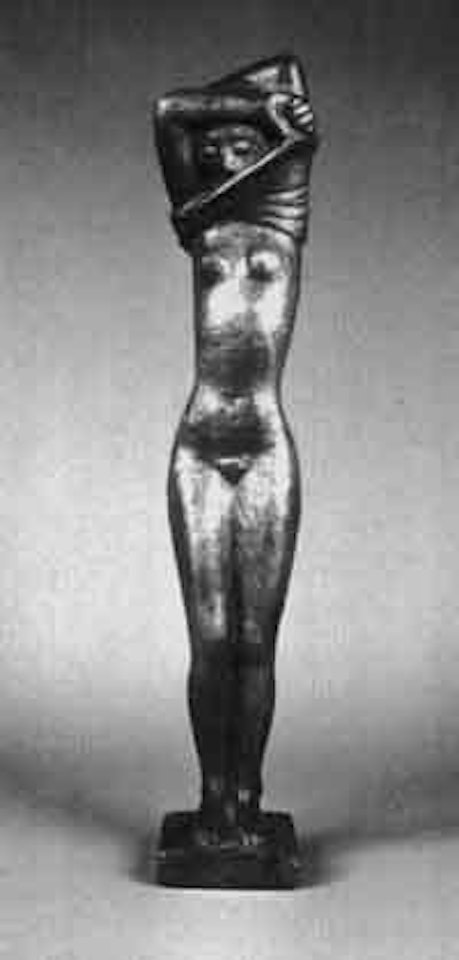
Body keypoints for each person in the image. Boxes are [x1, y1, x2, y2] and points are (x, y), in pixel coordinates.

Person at [154, 54, 318, 847]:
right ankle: (212, 797)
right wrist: (256, 116)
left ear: (267, 151)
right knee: (210, 639)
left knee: (254, 643)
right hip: (199, 445)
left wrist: (281, 125)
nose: (221, 154)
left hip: (262, 444)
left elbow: (289, 68)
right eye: (212, 147)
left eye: (237, 144)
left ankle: (246, 799)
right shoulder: (200, 223)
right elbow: (166, 111)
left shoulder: (285, 206)